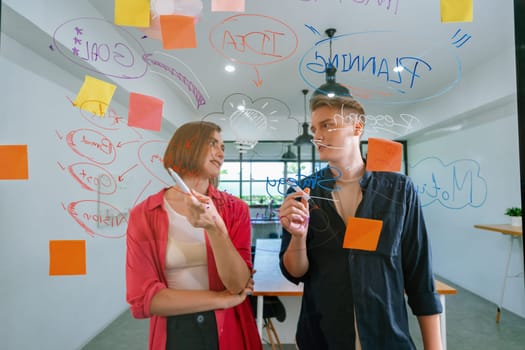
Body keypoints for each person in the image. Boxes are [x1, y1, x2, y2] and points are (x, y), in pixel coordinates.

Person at [278, 93, 443, 349]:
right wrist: (298, 237)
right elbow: (294, 271)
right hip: (323, 338)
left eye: (327, 125)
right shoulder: (303, 192)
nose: (317, 136)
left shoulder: (398, 190)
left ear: (357, 127)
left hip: (387, 337)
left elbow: (420, 274)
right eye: (314, 129)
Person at [126, 121, 262, 350]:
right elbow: (144, 299)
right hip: (174, 331)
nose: (220, 153)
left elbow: (238, 284)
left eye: (223, 147)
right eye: (213, 143)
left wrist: (215, 229)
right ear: (186, 146)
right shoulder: (144, 214)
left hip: (227, 327)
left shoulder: (235, 209)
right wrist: (220, 299)